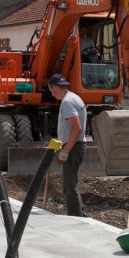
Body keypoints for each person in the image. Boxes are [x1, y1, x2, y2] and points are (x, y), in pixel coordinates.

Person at [48, 73, 87, 217]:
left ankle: (76, 218)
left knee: (69, 185)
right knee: (71, 183)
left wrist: (65, 151)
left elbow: (77, 127)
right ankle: (80, 213)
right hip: (76, 145)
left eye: (51, 90)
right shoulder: (74, 98)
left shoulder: (67, 102)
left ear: (55, 87)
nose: (52, 94)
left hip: (73, 146)